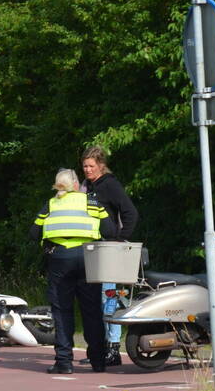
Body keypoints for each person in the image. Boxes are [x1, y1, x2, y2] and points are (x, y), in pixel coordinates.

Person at [32, 169, 116, 374]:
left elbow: (34, 232)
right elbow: (109, 231)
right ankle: (98, 361)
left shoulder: (51, 204)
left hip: (60, 259)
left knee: (62, 311)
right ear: (77, 184)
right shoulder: (92, 203)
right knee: (92, 310)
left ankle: (64, 361)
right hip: (88, 257)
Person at [79, 145, 139, 367]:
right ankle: (99, 348)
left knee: (108, 298)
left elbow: (130, 212)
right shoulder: (88, 186)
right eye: (84, 166)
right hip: (93, 249)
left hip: (109, 249)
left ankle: (113, 349)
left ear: (101, 165)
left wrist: (120, 239)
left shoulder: (110, 184)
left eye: (91, 166)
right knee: (95, 300)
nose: (87, 169)